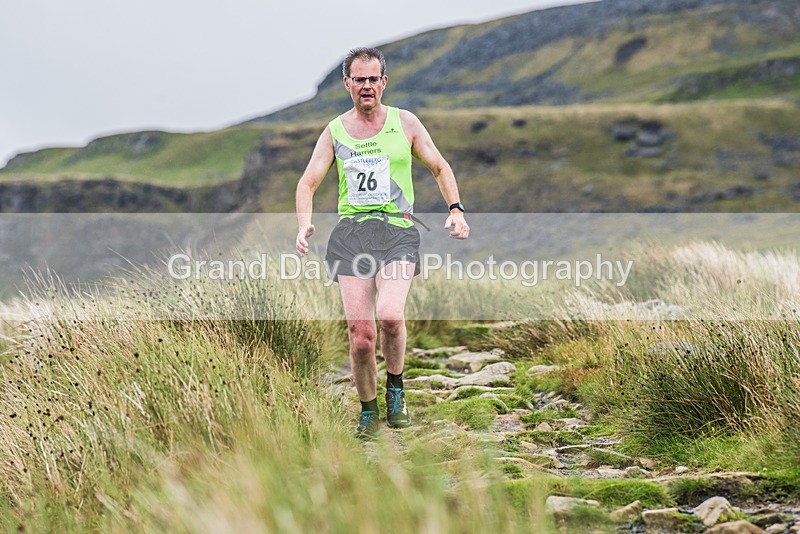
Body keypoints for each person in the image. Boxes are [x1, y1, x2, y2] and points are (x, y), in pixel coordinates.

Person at [295, 47, 469, 439]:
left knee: (390, 316)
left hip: (397, 232)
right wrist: (304, 224)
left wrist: (455, 209)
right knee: (361, 337)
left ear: (384, 82)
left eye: (374, 79)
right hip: (351, 236)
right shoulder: (335, 130)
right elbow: (307, 182)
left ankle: (395, 390)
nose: (367, 86)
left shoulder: (405, 123)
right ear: (347, 84)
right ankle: (368, 410)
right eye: (360, 79)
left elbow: (440, 167)